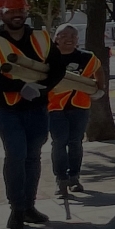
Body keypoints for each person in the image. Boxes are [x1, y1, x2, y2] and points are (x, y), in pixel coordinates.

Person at [0, 0, 61, 229]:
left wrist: (42, 90)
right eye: (11, 12)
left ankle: (29, 207)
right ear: (1, 14)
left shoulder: (42, 37)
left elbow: (57, 68)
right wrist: (19, 87)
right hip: (7, 109)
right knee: (16, 155)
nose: (17, 15)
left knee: (33, 156)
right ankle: (16, 208)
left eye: (20, 11)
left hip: (37, 108)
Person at [47, 24, 100, 197]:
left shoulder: (86, 57)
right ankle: (61, 180)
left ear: (77, 39)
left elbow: (99, 70)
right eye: (64, 35)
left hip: (79, 106)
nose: (69, 38)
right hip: (54, 107)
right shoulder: (47, 57)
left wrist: (100, 88)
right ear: (56, 38)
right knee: (59, 142)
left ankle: (74, 178)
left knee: (75, 142)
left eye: (73, 35)